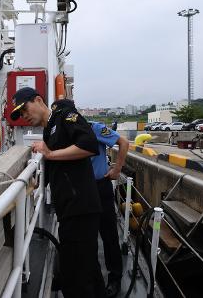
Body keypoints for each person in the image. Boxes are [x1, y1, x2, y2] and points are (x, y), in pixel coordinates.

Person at [10, 87, 106, 298]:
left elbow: (89, 144)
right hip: (70, 208)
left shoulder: (65, 116)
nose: (25, 117)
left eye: (24, 109)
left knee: (76, 278)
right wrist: (34, 185)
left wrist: (51, 154)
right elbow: (55, 168)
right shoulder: (49, 129)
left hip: (80, 207)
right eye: (20, 115)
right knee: (88, 270)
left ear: (38, 100)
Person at [89, 121, 129, 297]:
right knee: (87, 240)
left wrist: (117, 169)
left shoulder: (94, 128)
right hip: (82, 191)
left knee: (109, 236)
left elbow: (124, 142)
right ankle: (95, 280)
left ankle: (115, 278)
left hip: (100, 186)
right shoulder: (67, 132)